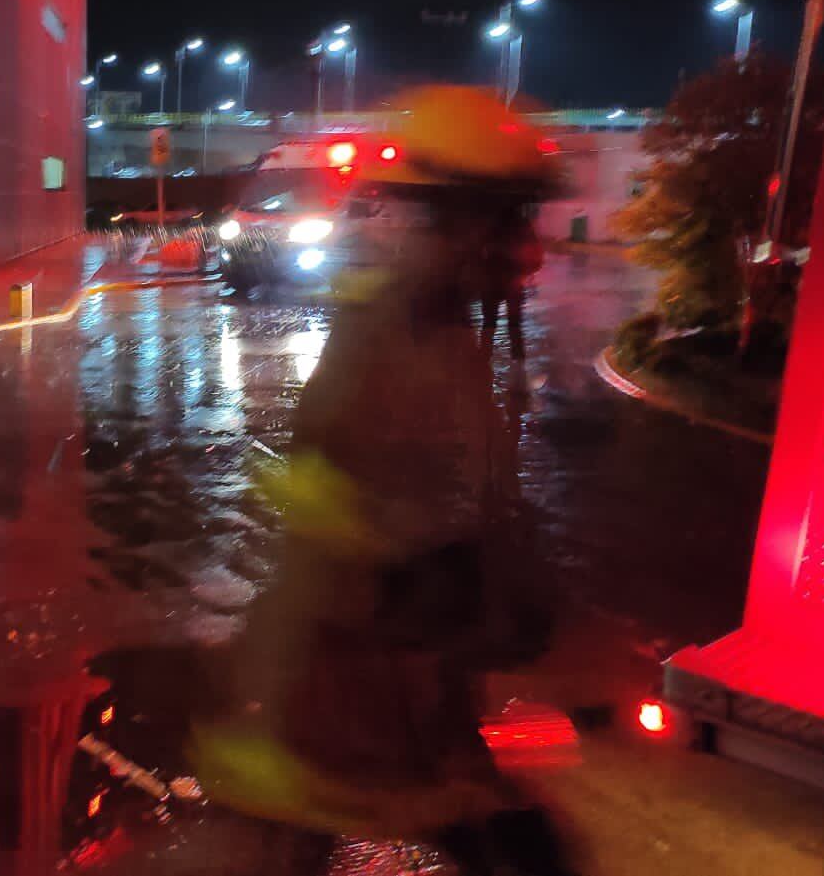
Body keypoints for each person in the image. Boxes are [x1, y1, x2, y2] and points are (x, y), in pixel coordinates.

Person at [197, 87, 569, 875]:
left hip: (394, 706)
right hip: (344, 707)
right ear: (459, 221)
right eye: (508, 219)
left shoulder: (440, 327)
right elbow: (347, 525)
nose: (524, 247)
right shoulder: (397, 337)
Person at [480, 205, 544, 360]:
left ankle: (483, 360)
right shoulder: (522, 224)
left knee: (489, 324)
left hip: (492, 281)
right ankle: (518, 362)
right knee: (514, 325)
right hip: (512, 282)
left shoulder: (489, 224)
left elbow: (477, 252)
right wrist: (526, 273)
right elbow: (537, 256)